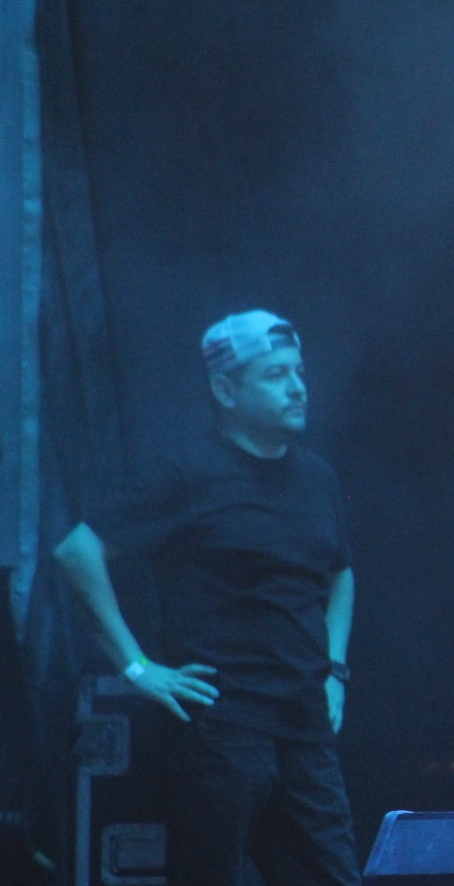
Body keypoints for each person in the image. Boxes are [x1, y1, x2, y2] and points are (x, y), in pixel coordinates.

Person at [52, 311, 359, 886]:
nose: (297, 387)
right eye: (275, 374)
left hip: (304, 726)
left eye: (299, 371)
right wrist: (137, 667)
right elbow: (77, 552)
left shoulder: (316, 477)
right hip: (222, 728)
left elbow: (340, 573)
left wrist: (335, 670)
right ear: (225, 390)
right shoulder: (186, 473)